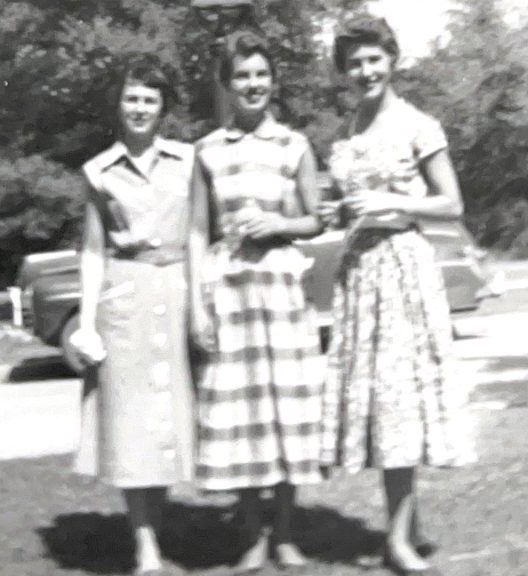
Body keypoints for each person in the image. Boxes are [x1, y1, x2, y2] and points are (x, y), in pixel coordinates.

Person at [319, 15, 477, 576]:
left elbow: (452, 203)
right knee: (383, 409)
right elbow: (346, 205)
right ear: (344, 70)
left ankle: (398, 540)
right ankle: (403, 529)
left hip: (403, 270)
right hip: (361, 273)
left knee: (401, 404)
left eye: (373, 59)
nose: (365, 71)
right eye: (354, 63)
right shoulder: (345, 133)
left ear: (392, 60)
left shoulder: (418, 125)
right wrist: (335, 212)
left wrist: (395, 203)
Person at [188, 32, 325, 575]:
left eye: (261, 74)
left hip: (281, 286)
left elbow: (316, 218)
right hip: (229, 289)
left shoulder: (294, 145)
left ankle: (286, 534)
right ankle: (251, 535)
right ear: (226, 84)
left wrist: (280, 223)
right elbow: (198, 231)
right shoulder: (207, 151)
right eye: (241, 75)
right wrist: (198, 304)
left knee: (288, 408)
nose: (253, 84)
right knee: (239, 412)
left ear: (274, 81)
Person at [69, 54, 196, 576]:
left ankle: (156, 532)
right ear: (118, 106)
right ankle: (145, 548)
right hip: (125, 297)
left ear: (163, 106)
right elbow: (94, 250)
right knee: (130, 425)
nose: (140, 108)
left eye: (149, 98)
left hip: (178, 291)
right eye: (131, 98)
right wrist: (86, 319)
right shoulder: (99, 172)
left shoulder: (189, 161)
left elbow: (202, 233)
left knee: (167, 421)